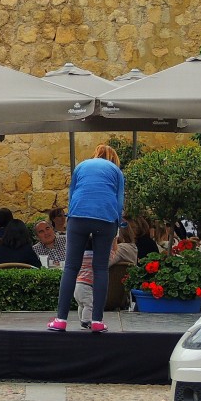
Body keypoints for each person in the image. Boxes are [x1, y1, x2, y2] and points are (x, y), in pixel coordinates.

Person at [48, 143, 124, 334]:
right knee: (100, 269)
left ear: (95, 155)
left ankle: (60, 320)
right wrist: (117, 227)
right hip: (106, 218)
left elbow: (72, 194)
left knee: (71, 267)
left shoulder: (81, 166)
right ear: (113, 159)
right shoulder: (116, 171)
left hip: (78, 215)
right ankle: (97, 321)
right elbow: (120, 201)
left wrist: (72, 219)